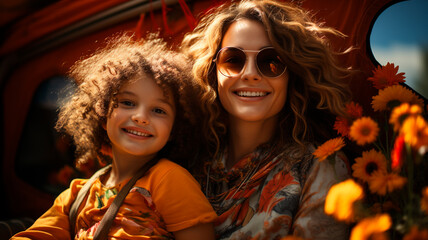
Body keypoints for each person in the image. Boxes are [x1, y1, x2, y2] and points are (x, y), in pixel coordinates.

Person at [12, 35, 217, 240]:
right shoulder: (76, 195)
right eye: (128, 103)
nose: (140, 117)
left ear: (174, 129)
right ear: (102, 114)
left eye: (158, 110)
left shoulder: (168, 179)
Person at [181, 0, 352, 239]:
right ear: (212, 72)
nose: (250, 73)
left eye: (271, 62)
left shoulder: (321, 167)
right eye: (233, 60)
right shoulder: (187, 161)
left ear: (292, 75)